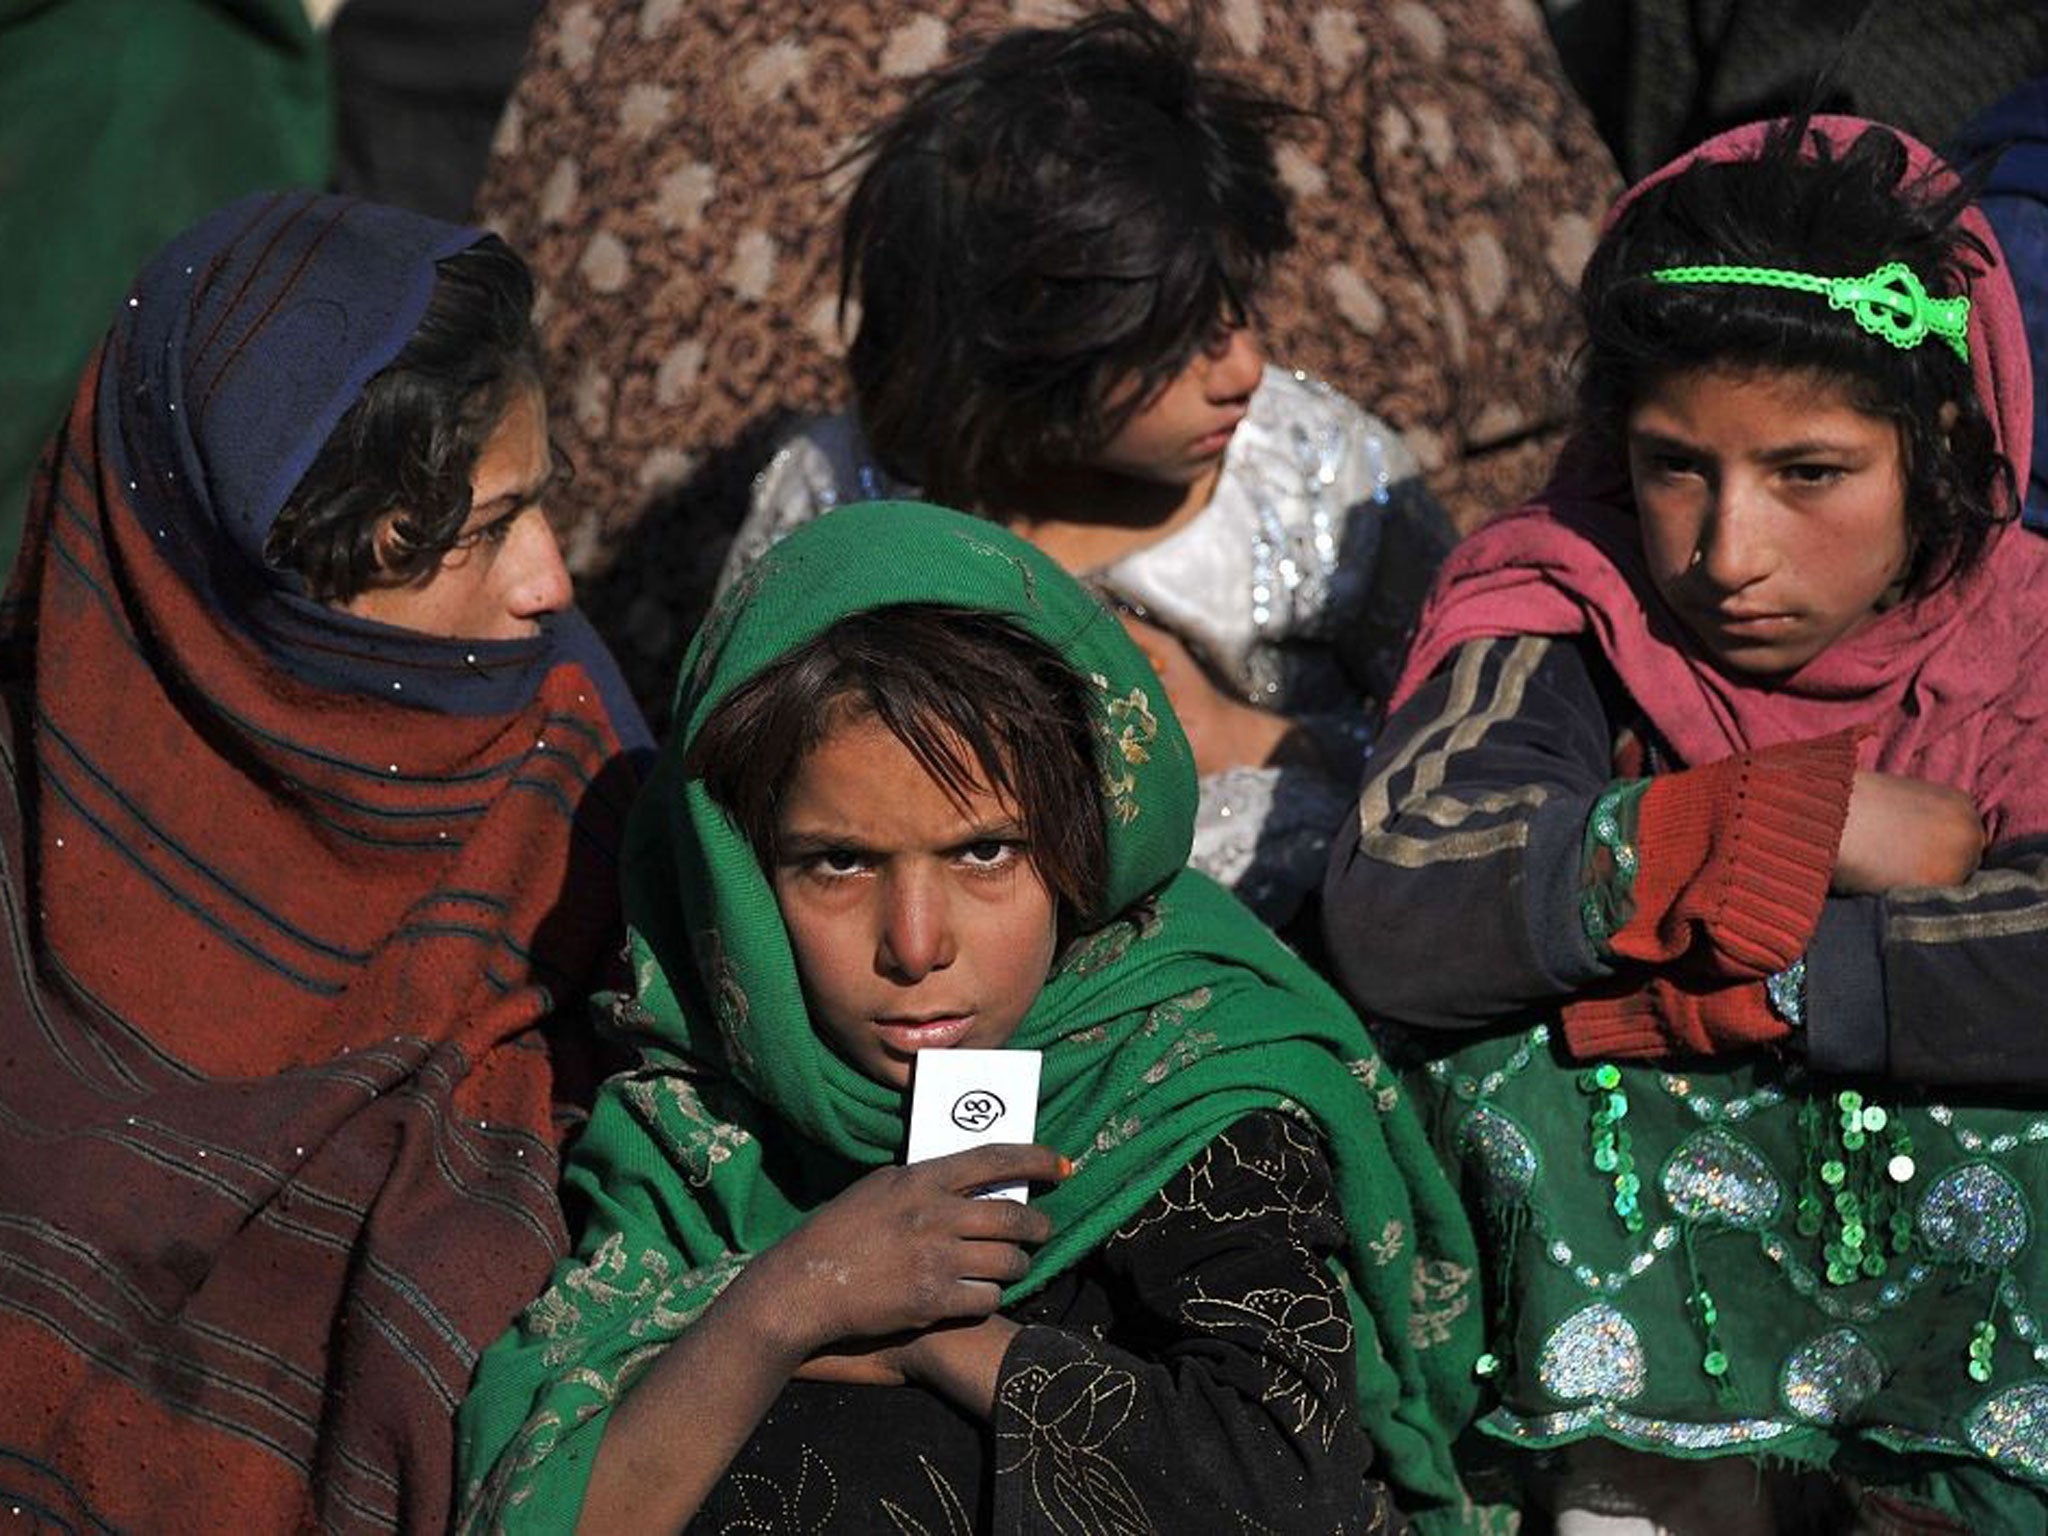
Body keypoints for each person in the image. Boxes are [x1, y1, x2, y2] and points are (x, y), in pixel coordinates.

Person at [455, 501, 1491, 1533]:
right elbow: (565, 1510)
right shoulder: (694, 1121)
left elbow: (1279, 1487)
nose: (915, 944)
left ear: (1082, 846)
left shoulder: (1187, 1074)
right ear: (734, 882)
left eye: (984, 853)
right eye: (839, 862)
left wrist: (930, 1337)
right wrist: (793, 1299)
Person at [1324, 114, 2048, 1532]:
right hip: (1632, 1415)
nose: (1726, 554)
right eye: (1676, 466)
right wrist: (1785, 825)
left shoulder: (2024, 645)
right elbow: (1408, 892)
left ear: (1944, 442)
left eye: (1810, 473)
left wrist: (1774, 984)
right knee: (1495, 1059)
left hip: (1965, 1362)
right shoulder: (1565, 603)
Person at [0, 189, 648, 1531]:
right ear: (266, 587)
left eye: (543, 505)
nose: (549, 581)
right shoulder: (42, 808)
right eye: (478, 536)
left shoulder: (578, 798)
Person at [720, 10, 1455, 929]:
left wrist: (1253, 739)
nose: (1240, 372)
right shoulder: (840, 505)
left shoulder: (1318, 472)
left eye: (1234, 313)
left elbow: (1474, 779)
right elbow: (738, 799)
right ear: (1022, 341)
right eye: (1168, 345)